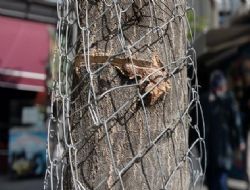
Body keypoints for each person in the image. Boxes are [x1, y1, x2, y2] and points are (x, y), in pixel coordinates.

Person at [202, 70, 245, 190]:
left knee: (220, 180)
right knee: (213, 181)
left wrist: (239, 140)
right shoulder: (207, 100)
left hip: (221, 149)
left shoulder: (228, 100)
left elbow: (236, 122)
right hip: (211, 148)